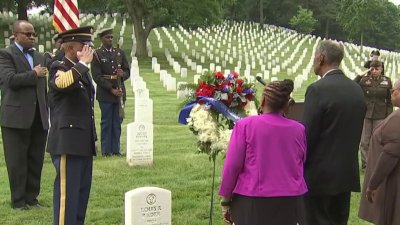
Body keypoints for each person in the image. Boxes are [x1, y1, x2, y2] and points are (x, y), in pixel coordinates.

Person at [219, 79, 307, 225]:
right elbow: (301, 161)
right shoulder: (299, 129)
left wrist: (226, 200)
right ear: (286, 103)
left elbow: (232, 166)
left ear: (264, 100)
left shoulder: (245, 126)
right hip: (290, 201)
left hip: (253, 202)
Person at [302, 40, 366, 225]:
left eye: (315, 56)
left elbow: (308, 137)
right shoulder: (356, 90)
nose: (313, 60)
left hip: (319, 177)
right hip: (345, 174)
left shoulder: (317, 90)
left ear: (321, 58)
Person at [47, 26, 96, 225]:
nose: (88, 50)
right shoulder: (58, 66)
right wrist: (83, 64)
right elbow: (62, 84)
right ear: (69, 47)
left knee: (80, 196)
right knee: (66, 199)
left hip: (83, 140)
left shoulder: (81, 70)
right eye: (83, 46)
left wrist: (83, 65)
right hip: (67, 141)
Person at [0, 20, 49, 210]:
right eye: (27, 34)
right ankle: (18, 201)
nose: (32, 37)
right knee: (17, 160)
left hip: (38, 115)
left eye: (33, 34)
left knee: (35, 158)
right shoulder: (5, 54)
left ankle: (32, 198)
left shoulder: (38, 56)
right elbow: (10, 80)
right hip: (16, 117)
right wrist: (34, 73)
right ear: (16, 35)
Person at [358, 80, 400, 225]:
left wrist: (373, 184)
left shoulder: (397, 119)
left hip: (393, 182)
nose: (391, 92)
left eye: (394, 89)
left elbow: (390, 155)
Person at [91, 28, 130, 157]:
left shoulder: (119, 53)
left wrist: (122, 74)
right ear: (101, 38)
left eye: (111, 37)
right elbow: (97, 76)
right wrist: (110, 88)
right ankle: (106, 150)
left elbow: (127, 71)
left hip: (119, 91)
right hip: (106, 92)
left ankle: (116, 149)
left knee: (117, 121)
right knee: (107, 122)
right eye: (107, 37)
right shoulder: (97, 54)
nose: (110, 40)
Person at [354, 60, 393, 170]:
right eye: (372, 69)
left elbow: (389, 101)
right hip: (366, 114)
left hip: (380, 114)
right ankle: (365, 164)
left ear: (381, 69)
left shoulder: (387, 81)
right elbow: (353, 84)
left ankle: (376, 163)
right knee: (364, 141)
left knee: (377, 140)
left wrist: (388, 117)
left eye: (377, 69)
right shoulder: (364, 80)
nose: (375, 71)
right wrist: (361, 74)